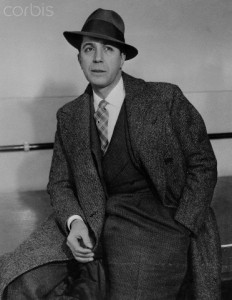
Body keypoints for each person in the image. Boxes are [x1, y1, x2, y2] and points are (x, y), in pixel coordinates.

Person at [0, 8, 221, 300]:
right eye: (88, 49)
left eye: (109, 49)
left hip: (157, 224)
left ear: (122, 57)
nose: (98, 58)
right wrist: (74, 222)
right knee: (18, 282)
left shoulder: (165, 99)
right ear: (79, 58)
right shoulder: (69, 116)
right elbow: (59, 183)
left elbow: (203, 164)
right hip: (90, 220)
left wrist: (183, 225)